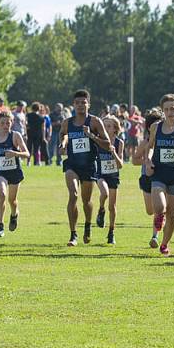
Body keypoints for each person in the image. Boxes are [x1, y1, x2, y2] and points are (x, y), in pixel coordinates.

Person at [60, 89, 112, 247]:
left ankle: (88, 225)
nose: (80, 105)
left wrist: (92, 136)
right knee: (73, 194)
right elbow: (62, 134)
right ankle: (73, 234)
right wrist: (62, 143)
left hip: (89, 165)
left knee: (86, 200)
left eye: (83, 102)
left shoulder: (95, 122)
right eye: (77, 103)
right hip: (72, 164)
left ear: (88, 104)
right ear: (73, 105)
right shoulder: (67, 122)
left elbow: (108, 145)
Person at [143, 94, 174, 256]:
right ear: (162, 110)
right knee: (160, 207)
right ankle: (159, 218)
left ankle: (164, 244)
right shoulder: (156, 127)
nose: (170, 112)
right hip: (158, 172)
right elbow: (149, 147)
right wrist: (148, 160)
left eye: (173, 108)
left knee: (171, 213)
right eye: (167, 109)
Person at [92, 115, 125, 245]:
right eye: (104, 126)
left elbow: (120, 165)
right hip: (100, 174)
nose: (106, 128)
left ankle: (111, 232)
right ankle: (101, 210)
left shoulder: (119, 143)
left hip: (113, 176)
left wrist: (113, 153)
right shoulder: (98, 141)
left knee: (112, 206)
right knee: (104, 193)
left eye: (109, 126)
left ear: (115, 129)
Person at [133, 110, 163, 244]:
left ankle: (155, 236)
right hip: (146, 178)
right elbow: (134, 160)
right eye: (153, 125)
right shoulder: (145, 143)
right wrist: (146, 161)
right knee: (150, 210)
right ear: (149, 127)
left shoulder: (167, 141)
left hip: (162, 177)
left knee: (159, 209)